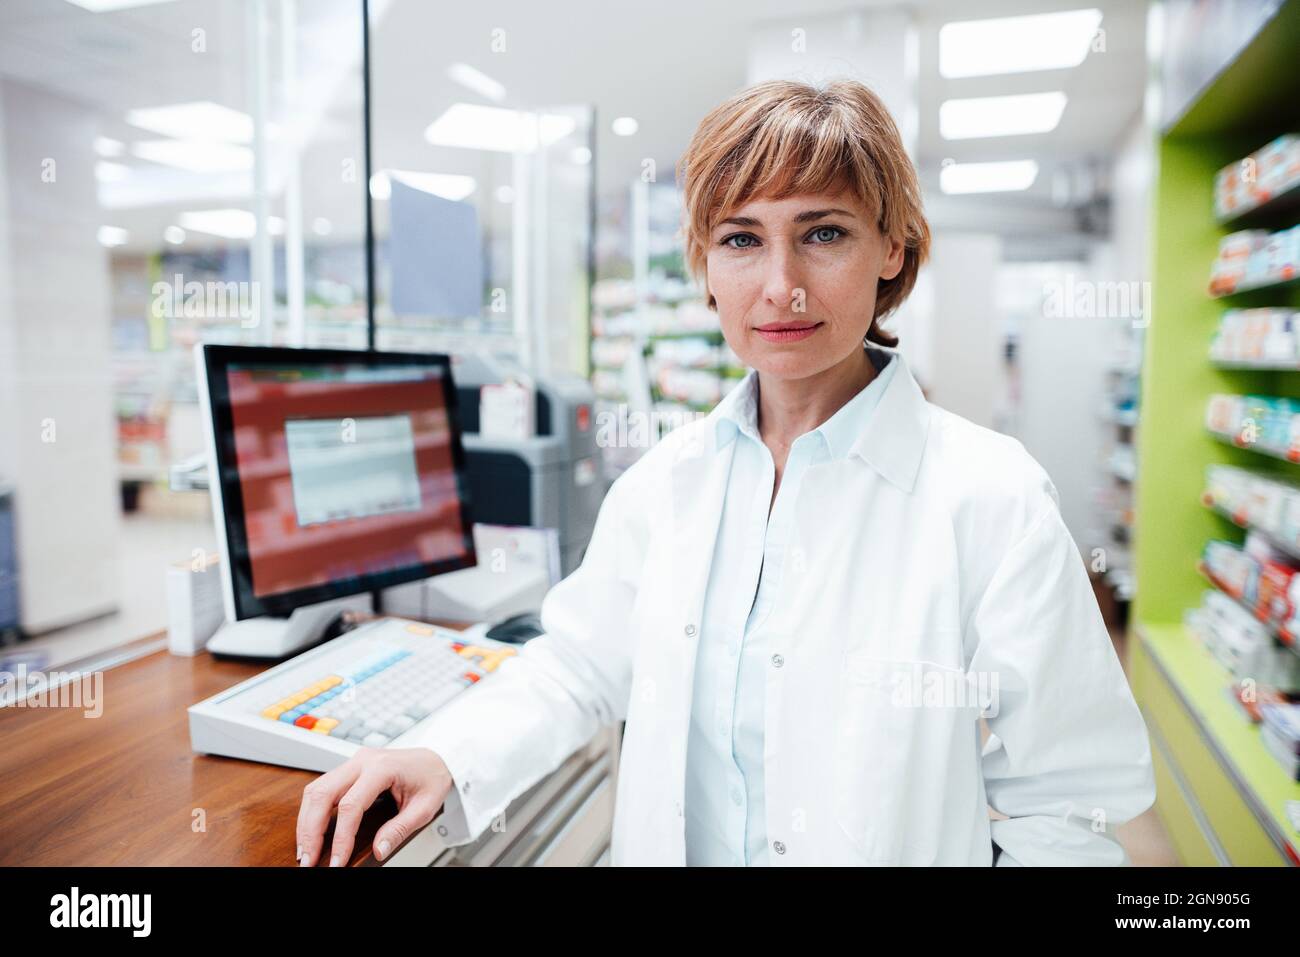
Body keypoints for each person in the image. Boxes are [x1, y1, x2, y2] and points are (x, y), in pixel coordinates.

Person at [296, 78, 1155, 867]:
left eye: (824, 233)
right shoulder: (668, 483)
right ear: (705, 268)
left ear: (893, 249)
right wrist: (448, 752)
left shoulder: (993, 498)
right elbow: (581, 663)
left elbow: (1066, 810)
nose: (781, 285)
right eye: (742, 238)